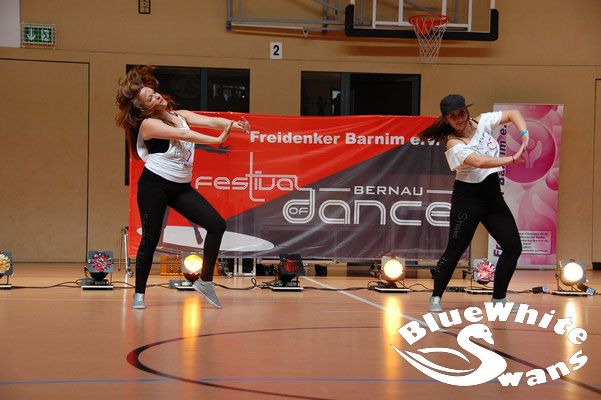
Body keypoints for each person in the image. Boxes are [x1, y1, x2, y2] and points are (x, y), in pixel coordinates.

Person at [115, 66, 250, 310]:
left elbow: (211, 121)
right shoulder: (148, 125)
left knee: (217, 225)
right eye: (150, 98)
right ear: (144, 108)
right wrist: (217, 140)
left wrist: (234, 125)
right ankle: (139, 294)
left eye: (154, 92)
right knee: (151, 238)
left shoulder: (180, 115)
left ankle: (205, 282)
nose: (156, 96)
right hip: (154, 186)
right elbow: (183, 136)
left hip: (180, 187)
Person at [418, 94, 529, 312]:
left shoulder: (481, 122)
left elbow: (513, 114)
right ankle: (436, 296)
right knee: (455, 250)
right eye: (452, 116)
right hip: (467, 200)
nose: (459, 119)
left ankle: (499, 300)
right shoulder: (452, 142)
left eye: (461, 113)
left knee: (513, 247)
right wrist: (512, 159)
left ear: (466, 111)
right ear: (446, 119)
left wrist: (524, 134)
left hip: (492, 198)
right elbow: (479, 162)